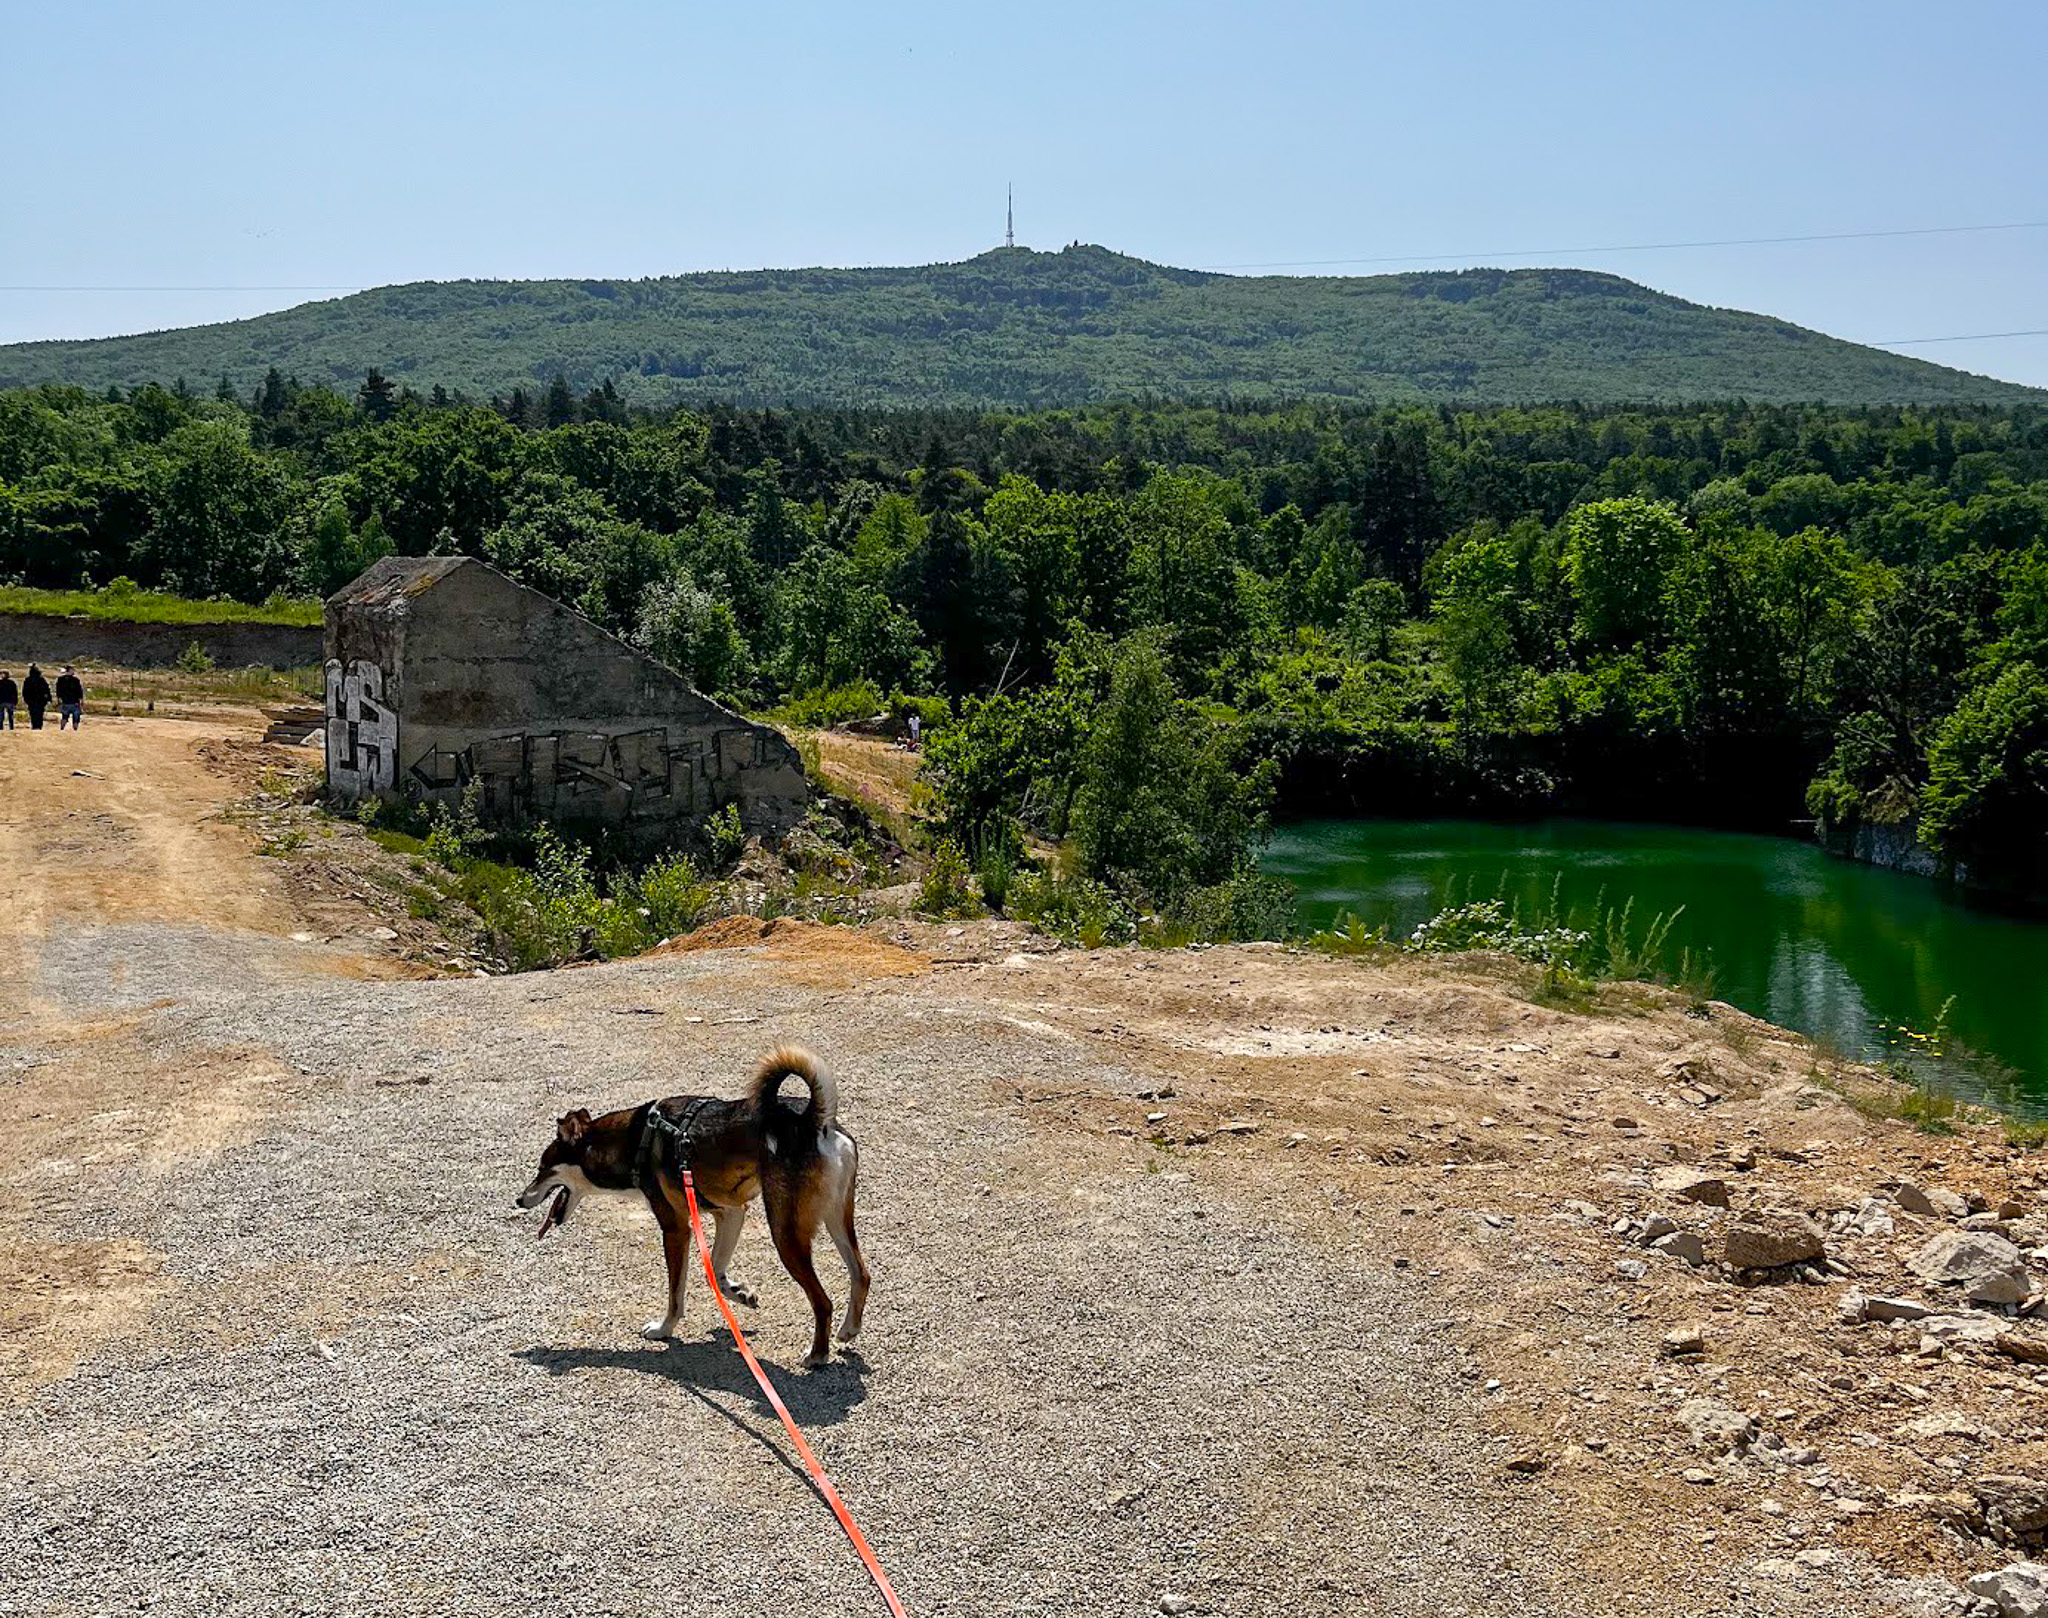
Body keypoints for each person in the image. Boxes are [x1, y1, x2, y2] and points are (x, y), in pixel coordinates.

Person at [21, 664, 49, 731]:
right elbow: (46, 690)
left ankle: (34, 726)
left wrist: (26, 700)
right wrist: (47, 699)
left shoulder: (28, 680)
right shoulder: (41, 680)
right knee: (39, 714)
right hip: (40, 701)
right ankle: (39, 726)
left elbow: (25, 691)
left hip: (32, 700)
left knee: (33, 713)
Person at [55, 665, 84, 730]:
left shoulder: (60, 680)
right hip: (74, 702)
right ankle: (75, 730)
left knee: (64, 717)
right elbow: (79, 691)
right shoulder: (76, 680)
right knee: (76, 718)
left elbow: (58, 691)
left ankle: (62, 729)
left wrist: (59, 700)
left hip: (65, 701)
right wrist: (81, 701)